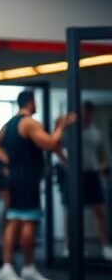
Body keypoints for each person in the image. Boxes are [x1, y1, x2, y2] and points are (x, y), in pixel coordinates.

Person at [0, 90, 74, 280]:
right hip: (26, 179)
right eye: (34, 101)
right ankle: (25, 267)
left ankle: (10, 267)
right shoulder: (28, 123)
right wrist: (60, 126)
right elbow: (52, 143)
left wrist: (11, 163)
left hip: (17, 178)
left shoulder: (10, 124)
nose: (36, 105)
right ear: (30, 102)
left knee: (14, 219)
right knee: (28, 221)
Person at [56, 100, 111, 260]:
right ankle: (68, 246)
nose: (86, 115)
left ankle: (106, 247)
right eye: (84, 112)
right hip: (73, 175)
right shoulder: (70, 130)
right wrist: (67, 163)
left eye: (88, 112)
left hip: (91, 174)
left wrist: (103, 163)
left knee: (100, 211)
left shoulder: (95, 131)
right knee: (72, 212)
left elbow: (101, 152)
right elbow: (56, 146)